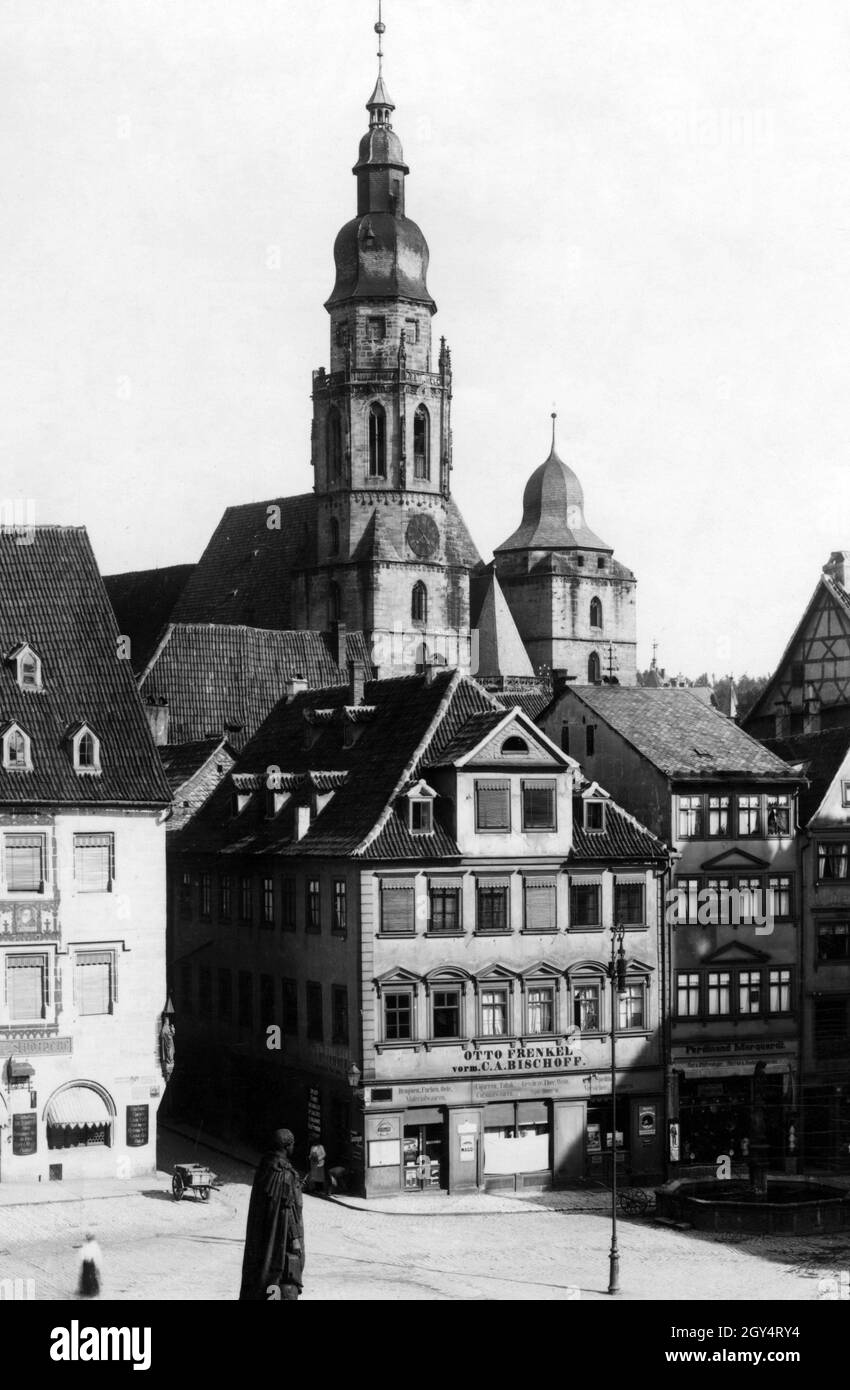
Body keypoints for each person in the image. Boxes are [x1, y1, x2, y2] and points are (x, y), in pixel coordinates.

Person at [239, 1128, 304, 1301]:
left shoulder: (265, 1166)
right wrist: (295, 1239)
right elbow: (288, 1210)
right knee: (278, 1278)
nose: (294, 1147)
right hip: (279, 1240)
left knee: (262, 1275)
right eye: (293, 1144)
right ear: (287, 1146)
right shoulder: (285, 1174)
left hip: (262, 1237)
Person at [77, 1232, 102, 1298]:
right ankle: (86, 1290)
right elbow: (81, 1253)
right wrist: (82, 1259)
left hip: (91, 1262)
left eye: (90, 1238)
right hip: (85, 1263)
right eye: (88, 1238)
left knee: (91, 1276)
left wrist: (98, 1264)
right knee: (85, 1276)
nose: (89, 1239)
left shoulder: (94, 1245)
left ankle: (92, 1291)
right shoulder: (85, 1244)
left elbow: (97, 1255)